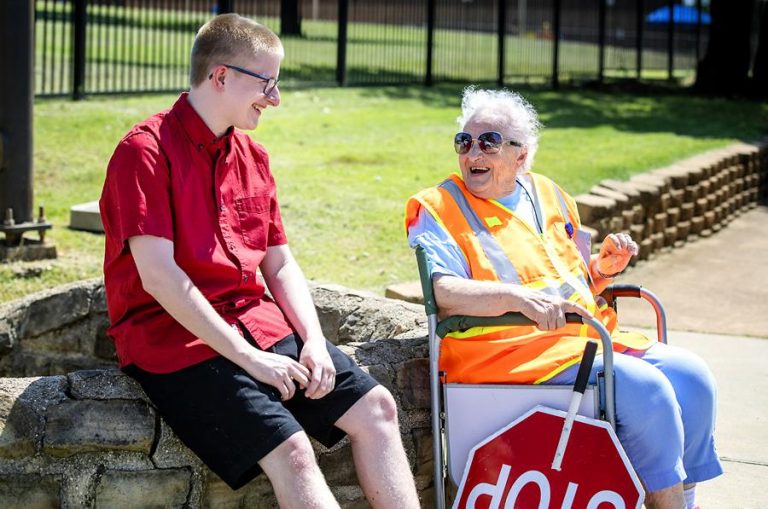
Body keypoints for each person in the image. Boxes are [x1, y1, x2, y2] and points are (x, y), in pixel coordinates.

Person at [99, 14, 419, 509]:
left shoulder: (254, 156)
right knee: (292, 451)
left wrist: (312, 340)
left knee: (377, 408)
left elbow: (280, 264)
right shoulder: (143, 152)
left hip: (257, 323)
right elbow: (160, 279)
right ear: (220, 76)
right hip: (173, 337)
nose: (275, 98)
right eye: (266, 83)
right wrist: (250, 361)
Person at [406, 87, 722, 509]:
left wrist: (600, 273)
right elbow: (444, 292)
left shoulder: (548, 194)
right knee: (647, 390)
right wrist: (518, 299)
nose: (472, 153)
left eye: (489, 142)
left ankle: (685, 499)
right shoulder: (439, 206)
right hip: (508, 353)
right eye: (465, 141)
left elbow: (563, 286)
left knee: (692, 375)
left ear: (521, 156)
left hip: (578, 338)